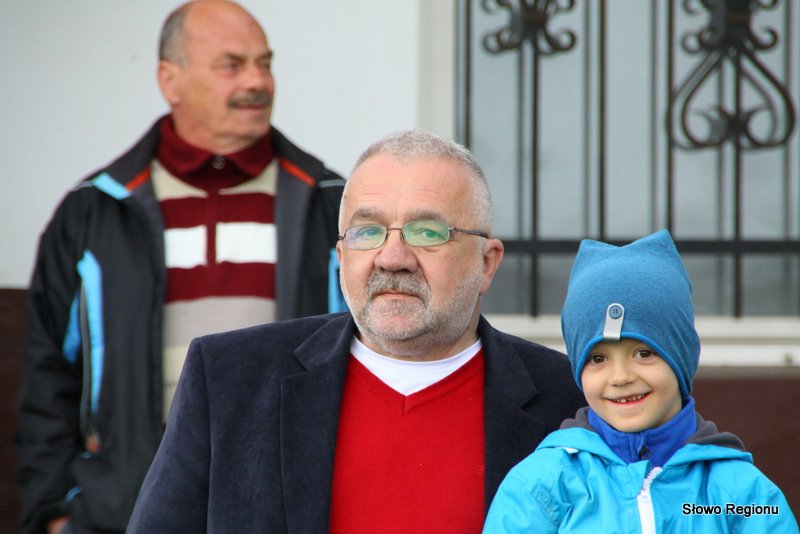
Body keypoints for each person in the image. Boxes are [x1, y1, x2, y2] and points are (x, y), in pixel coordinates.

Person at [125, 129, 586, 532]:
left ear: (487, 263)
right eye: (368, 232)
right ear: (342, 256)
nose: (393, 258)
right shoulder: (229, 381)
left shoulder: (571, 400)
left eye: (427, 232)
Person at [16, 2, 345, 533]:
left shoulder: (331, 204)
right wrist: (56, 513)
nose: (257, 81)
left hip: (281, 508)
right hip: (122, 513)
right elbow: (48, 380)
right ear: (169, 80)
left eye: (265, 63)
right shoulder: (93, 211)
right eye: (231, 65)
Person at [483, 230, 799, 533]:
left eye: (644, 353)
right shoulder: (542, 484)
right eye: (598, 359)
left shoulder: (745, 495)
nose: (620, 377)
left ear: (681, 358)